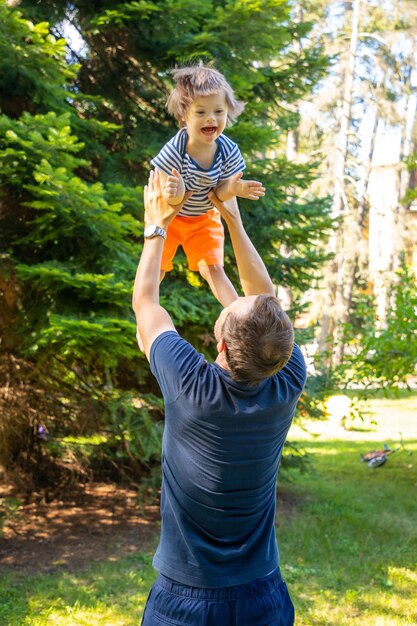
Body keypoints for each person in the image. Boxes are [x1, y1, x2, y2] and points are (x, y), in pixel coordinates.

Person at [132, 169, 306, 626]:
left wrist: (157, 224)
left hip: (185, 601)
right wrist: (230, 224)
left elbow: (146, 303)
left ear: (223, 343)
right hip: (262, 595)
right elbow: (262, 308)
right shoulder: (286, 378)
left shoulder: (192, 386)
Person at [150, 63, 265, 306]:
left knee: (213, 268)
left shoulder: (228, 149)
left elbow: (219, 194)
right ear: (184, 116)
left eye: (218, 112)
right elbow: (166, 200)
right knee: (157, 267)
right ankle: (144, 313)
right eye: (201, 112)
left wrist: (234, 188)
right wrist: (174, 192)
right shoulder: (175, 150)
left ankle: (239, 315)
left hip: (203, 218)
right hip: (171, 218)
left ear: (227, 112)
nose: (211, 118)